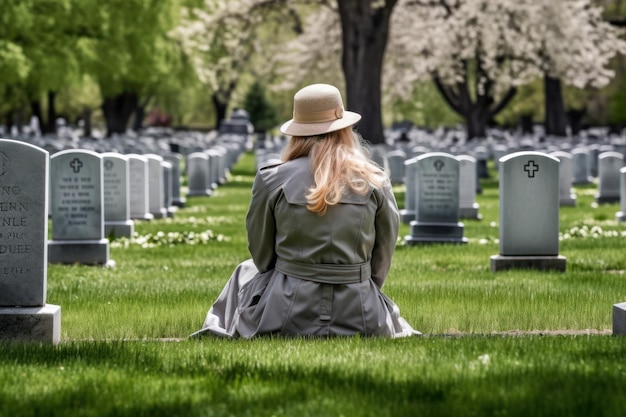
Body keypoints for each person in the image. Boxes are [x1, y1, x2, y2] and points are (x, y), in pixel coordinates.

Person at [191, 83, 419, 338]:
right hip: (362, 313)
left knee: (244, 272)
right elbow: (382, 258)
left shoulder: (272, 179)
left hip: (286, 310)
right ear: (344, 128)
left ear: (297, 132)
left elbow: (262, 258)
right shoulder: (375, 180)